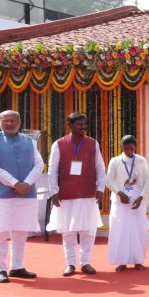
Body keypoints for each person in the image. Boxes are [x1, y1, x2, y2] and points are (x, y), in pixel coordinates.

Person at [0, 110, 44, 283]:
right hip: (1, 194)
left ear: (19, 122)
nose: (9, 123)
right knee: (0, 232)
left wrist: (27, 183)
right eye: (5, 120)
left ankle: (17, 266)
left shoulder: (29, 141)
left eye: (12, 120)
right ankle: (0, 269)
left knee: (21, 231)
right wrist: (15, 183)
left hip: (26, 194)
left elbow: (39, 164)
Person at [47, 112, 105, 276]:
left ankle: (86, 262)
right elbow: (52, 170)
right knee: (68, 231)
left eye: (84, 124)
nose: (83, 127)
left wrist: (100, 189)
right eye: (79, 124)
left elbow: (100, 167)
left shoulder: (93, 143)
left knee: (88, 230)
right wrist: (54, 191)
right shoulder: (59, 144)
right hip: (66, 193)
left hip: (88, 193)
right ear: (70, 125)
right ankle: (70, 263)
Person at [105, 135, 149, 271]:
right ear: (122, 148)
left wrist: (141, 197)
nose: (129, 151)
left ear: (135, 147)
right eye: (126, 149)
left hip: (137, 201)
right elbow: (109, 181)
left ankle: (138, 260)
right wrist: (119, 193)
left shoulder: (141, 161)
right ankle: (122, 261)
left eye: (132, 148)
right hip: (121, 201)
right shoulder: (115, 161)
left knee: (139, 230)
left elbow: (147, 181)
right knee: (120, 231)